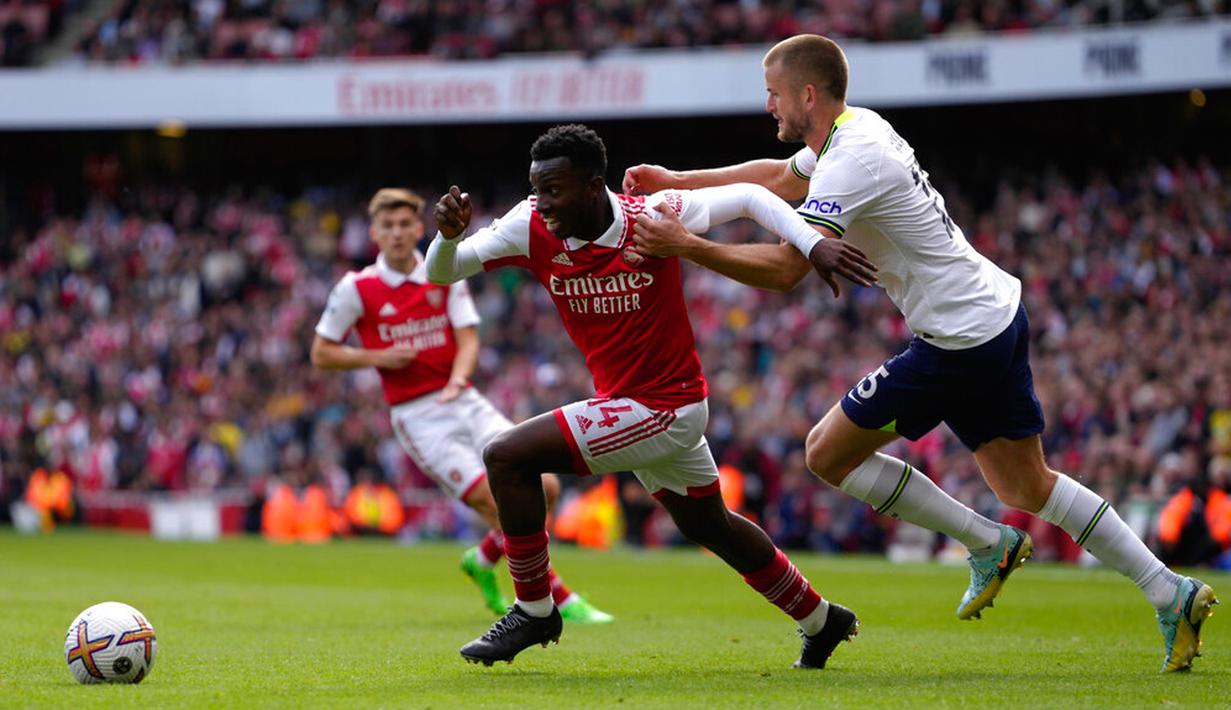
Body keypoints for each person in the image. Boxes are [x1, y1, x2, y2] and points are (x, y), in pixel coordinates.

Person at [621, 34, 1218, 673]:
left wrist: (684, 245)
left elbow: (786, 269)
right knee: (1025, 484)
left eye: (773, 94)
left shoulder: (851, 159)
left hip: (958, 339)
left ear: (807, 94)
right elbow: (775, 179)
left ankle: (988, 544)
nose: (768, 107)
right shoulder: (854, 130)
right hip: (994, 315)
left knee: (826, 453)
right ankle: (1170, 591)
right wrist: (680, 180)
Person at [427, 124, 873, 668]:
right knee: (711, 526)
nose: (542, 204)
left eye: (554, 191)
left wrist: (812, 242)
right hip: (637, 406)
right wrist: (447, 237)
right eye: (536, 189)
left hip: (666, 406)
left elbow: (753, 197)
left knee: (506, 455)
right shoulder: (528, 225)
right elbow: (442, 272)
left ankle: (535, 609)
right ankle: (822, 619)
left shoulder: (655, 216)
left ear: (595, 187)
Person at [312, 187, 613, 624]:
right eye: (387, 226)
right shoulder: (357, 288)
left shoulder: (442, 273)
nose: (397, 233)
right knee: (497, 502)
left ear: (418, 229)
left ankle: (483, 557)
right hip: (419, 416)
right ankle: (560, 598)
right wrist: (377, 357)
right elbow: (322, 352)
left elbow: (468, 337)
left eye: (404, 225)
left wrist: (458, 377)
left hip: (463, 399)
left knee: (545, 486)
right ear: (374, 233)